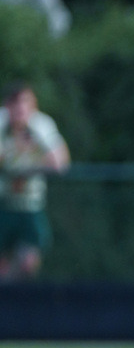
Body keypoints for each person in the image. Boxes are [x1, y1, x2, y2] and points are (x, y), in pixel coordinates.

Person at [0, 81, 69, 280]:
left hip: (30, 205)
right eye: (15, 103)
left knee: (29, 263)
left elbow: (60, 164)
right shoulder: (2, 123)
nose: (20, 108)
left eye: (25, 102)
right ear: (7, 105)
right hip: (3, 204)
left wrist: (27, 165)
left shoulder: (41, 125)